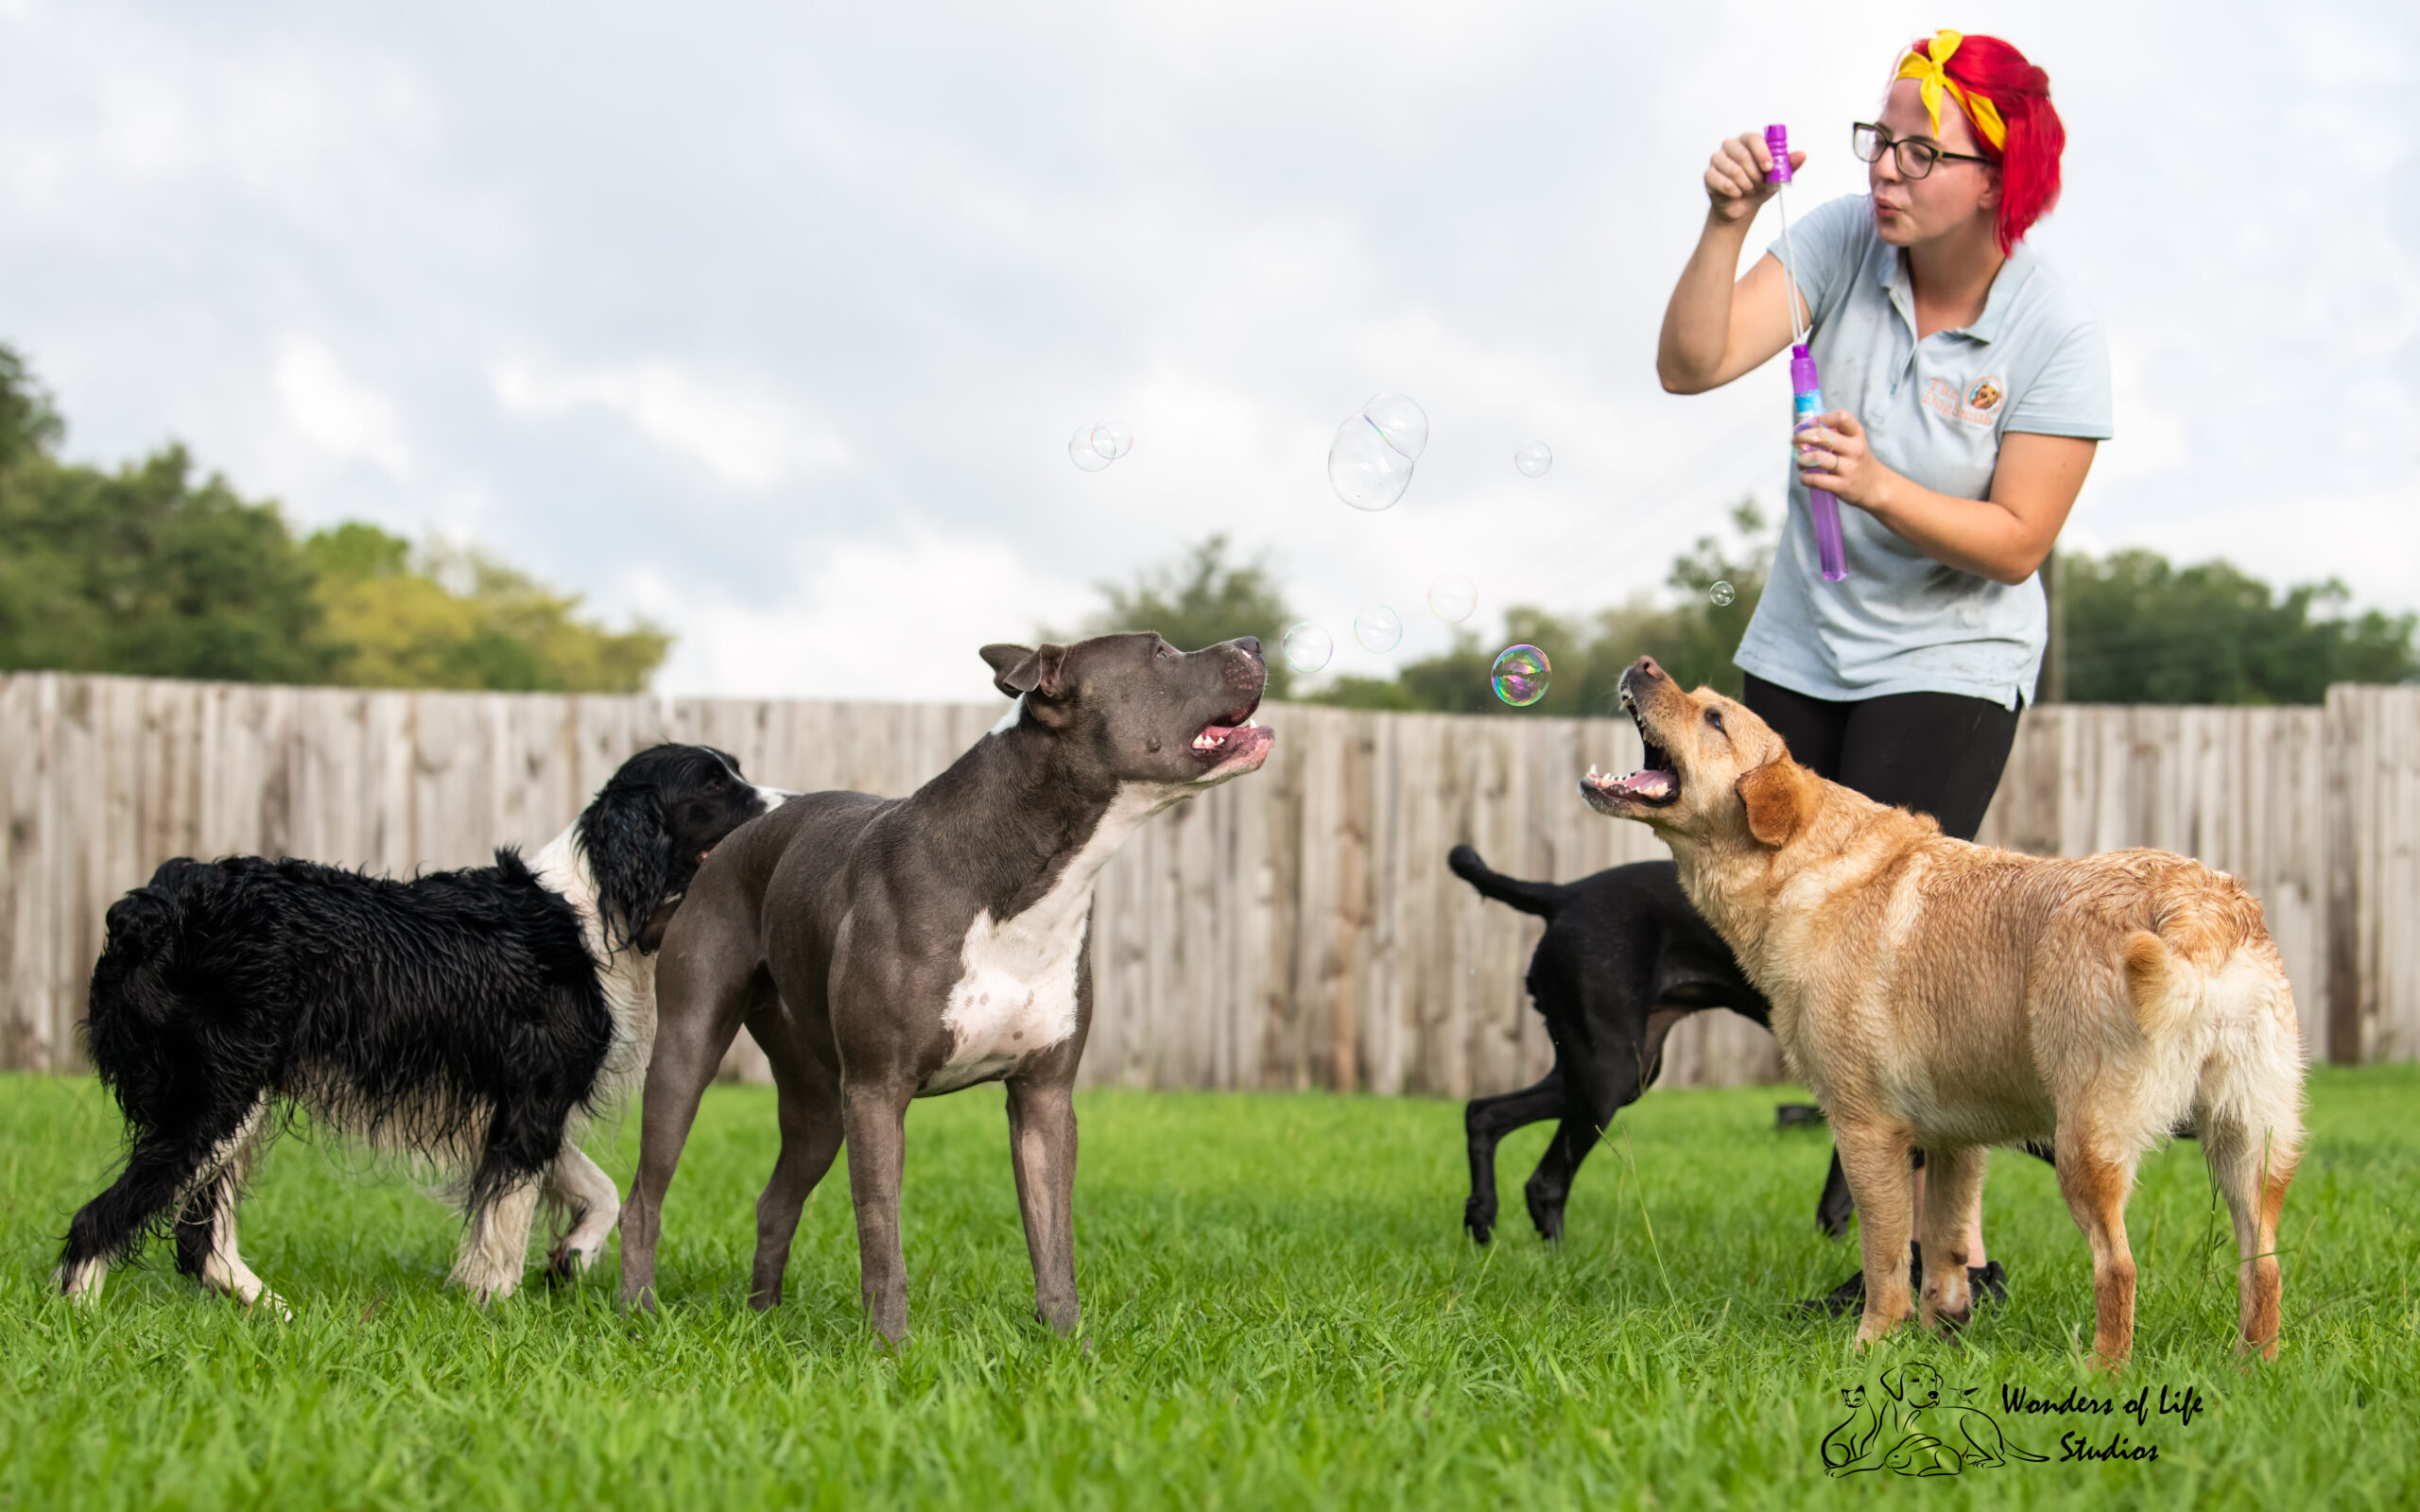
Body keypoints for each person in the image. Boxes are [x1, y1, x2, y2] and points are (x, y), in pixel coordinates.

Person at [1654, 30, 2110, 1314]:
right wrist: (1724, 223)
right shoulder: (1847, 240)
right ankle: (1878, 1162)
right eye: (1880, 140)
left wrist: (1882, 487)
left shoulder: (2055, 327)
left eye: (1923, 149)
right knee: (1783, 936)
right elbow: (1690, 364)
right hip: (1805, 642)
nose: (1890, 169)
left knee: (1909, 967)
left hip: (1949, 660)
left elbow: (2019, 540)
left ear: (1998, 179)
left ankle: (1936, 1261)